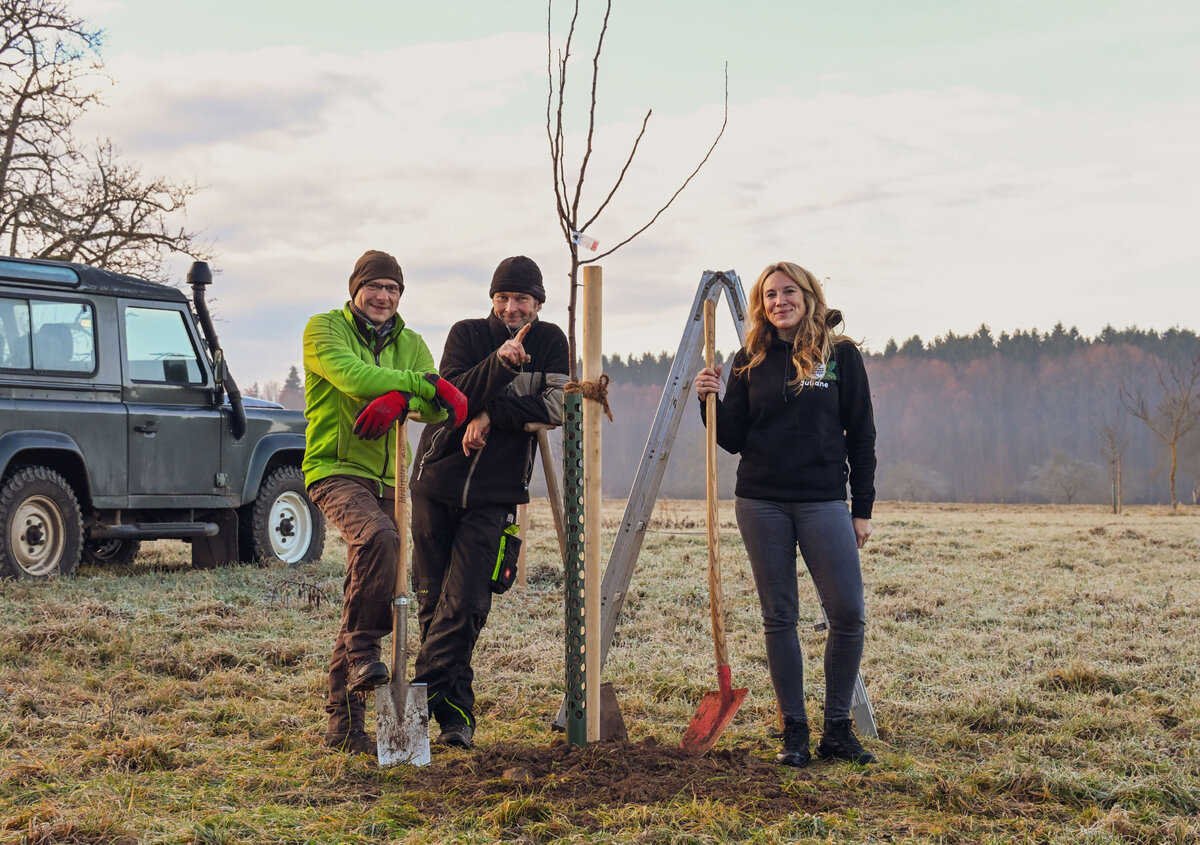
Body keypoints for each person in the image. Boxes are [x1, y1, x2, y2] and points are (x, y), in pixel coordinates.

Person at [693, 260, 877, 767]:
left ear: (809, 295)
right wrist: (708, 402)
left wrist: (862, 508)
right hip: (761, 501)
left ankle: (836, 729)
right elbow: (732, 438)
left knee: (848, 614)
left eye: (789, 291)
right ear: (761, 304)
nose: (780, 301)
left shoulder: (840, 356)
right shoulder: (748, 358)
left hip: (824, 500)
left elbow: (862, 434)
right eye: (770, 295)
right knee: (780, 617)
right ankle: (794, 731)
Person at [302, 249, 468, 755]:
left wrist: (403, 399)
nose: (383, 296)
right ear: (355, 290)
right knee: (379, 538)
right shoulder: (323, 329)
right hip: (335, 469)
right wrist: (420, 386)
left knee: (365, 588)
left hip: (390, 476)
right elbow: (354, 376)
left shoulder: (412, 343)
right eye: (374, 286)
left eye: (392, 289)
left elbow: (437, 407)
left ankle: (344, 727)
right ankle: (362, 651)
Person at [409, 255, 569, 749]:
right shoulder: (467, 334)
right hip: (435, 482)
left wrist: (485, 414)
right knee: (433, 604)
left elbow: (555, 407)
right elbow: (450, 395)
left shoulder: (551, 341)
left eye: (521, 298)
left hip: (495, 495)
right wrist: (497, 369)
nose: (510, 307)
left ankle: (415, 699)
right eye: (502, 297)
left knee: (466, 605)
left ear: (538, 303)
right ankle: (456, 720)